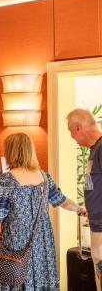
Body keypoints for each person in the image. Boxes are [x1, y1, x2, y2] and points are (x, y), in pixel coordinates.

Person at [0, 133, 86, 291]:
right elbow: (62, 201)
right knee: (42, 278)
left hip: (16, 242)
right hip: (42, 241)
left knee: (13, 278)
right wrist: (80, 208)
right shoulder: (44, 177)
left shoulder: (6, 180)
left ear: (12, 152)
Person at [67, 108, 102, 291]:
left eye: (70, 131)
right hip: (97, 225)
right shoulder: (94, 149)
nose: (72, 137)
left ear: (78, 127)